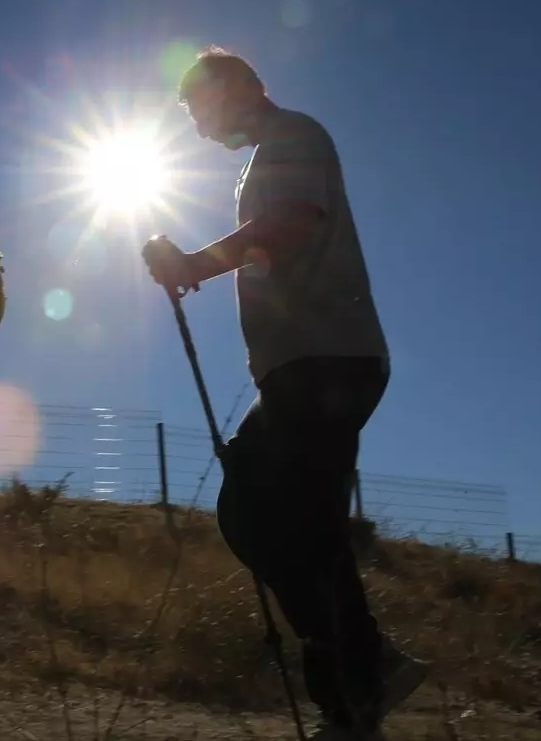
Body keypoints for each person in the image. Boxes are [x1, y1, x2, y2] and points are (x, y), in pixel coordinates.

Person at [142, 47, 428, 740]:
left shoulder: (296, 134)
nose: (200, 128)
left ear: (242, 89)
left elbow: (294, 223)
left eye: (201, 109)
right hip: (312, 362)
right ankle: (356, 688)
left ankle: (360, 676)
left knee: (264, 508)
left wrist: (194, 264)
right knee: (296, 517)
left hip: (326, 359)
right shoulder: (268, 155)